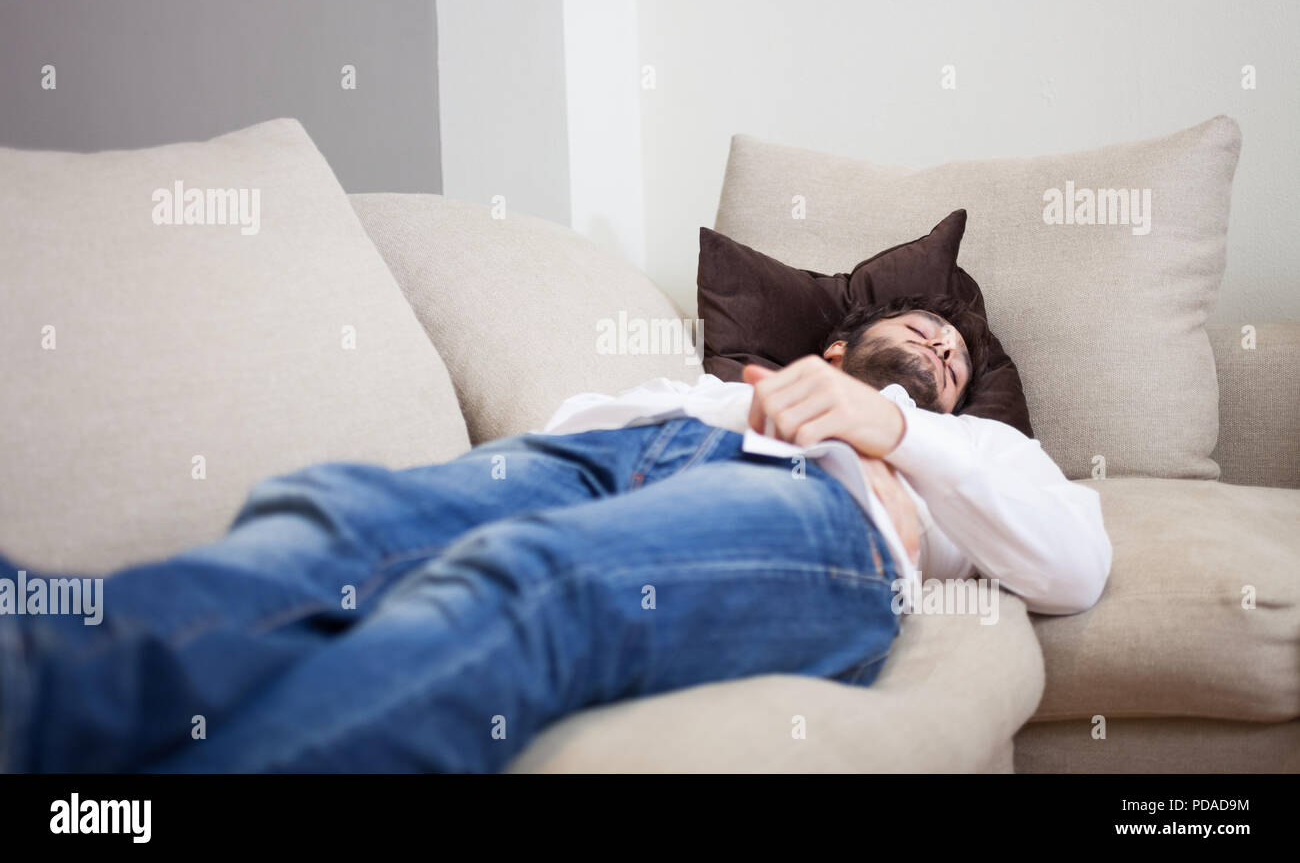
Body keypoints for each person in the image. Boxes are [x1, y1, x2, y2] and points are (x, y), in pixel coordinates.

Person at [0, 293, 1111, 773]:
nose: (935, 345)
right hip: (618, 456)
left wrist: (893, 425)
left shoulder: (977, 458)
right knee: (333, 519)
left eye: (953, 358)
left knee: (527, 582)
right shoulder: (707, 383)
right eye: (915, 327)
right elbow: (569, 431)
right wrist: (723, 402)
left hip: (813, 514)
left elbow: (1073, 564)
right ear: (844, 335)